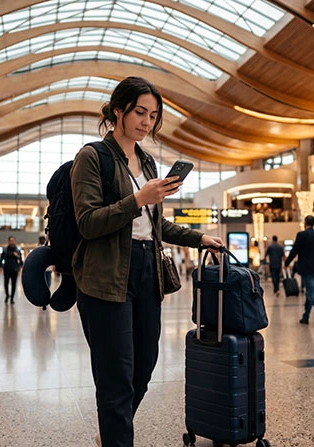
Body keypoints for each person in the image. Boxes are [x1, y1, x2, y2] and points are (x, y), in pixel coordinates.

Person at [70, 76, 224, 447]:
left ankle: (111, 430)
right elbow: (88, 222)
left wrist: (198, 236)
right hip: (105, 276)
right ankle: (117, 438)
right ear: (118, 110)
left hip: (146, 272)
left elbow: (155, 225)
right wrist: (139, 198)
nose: (147, 122)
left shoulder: (148, 162)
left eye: (153, 116)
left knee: (144, 368)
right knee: (116, 374)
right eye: (140, 112)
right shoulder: (92, 158)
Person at [284, 215, 314, 328]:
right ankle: (305, 317)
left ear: (305, 223)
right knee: (310, 292)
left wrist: (286, 263)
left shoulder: (302, 235)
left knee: (311, 293)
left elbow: (295, 250)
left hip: (306, 269)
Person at [0, 236, 23, 304]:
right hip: (6, 268)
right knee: (6, 283)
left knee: (14, 284)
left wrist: (20, 267)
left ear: (14, 241)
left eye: (13, 240)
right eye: (10, 240)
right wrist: (0, 267)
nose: (12, 242)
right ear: (8, 241)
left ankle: (12, 297)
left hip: (14, 269)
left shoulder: (17, 250)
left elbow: (20, 259)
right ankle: (7, 295)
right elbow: (1, 258)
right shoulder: (5, 249)